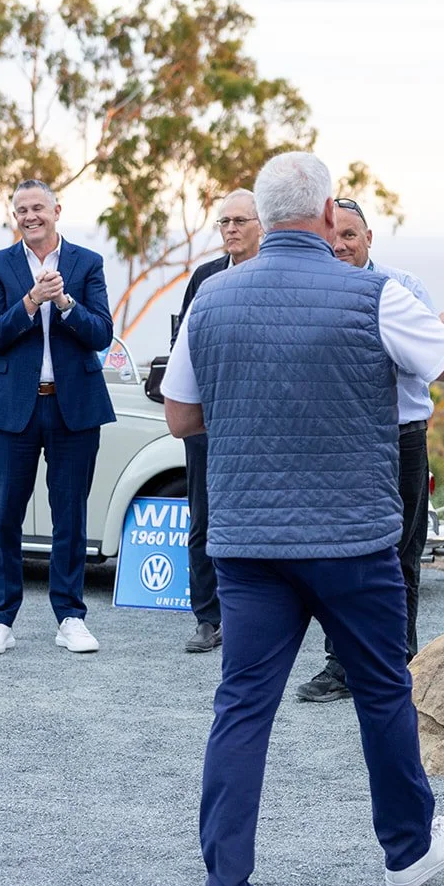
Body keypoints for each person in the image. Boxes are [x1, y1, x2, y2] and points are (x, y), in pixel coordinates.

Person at [161, 151, 444, 886]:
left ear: (267, 218)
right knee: (382, 692)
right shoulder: (373, 293)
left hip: (246, 545)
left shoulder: (211, 300)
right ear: (320, 217)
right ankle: (406, 852)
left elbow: (179, 418)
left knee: (242, 710)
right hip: (352, 541)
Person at [296, 196, 433, 703]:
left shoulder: (404, 288)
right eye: (332, 237)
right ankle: (341, 666)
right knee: (341, 551)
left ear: (369, 238)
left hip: (401, 436)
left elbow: (424, 362)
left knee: (402, 554)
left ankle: (400, 661)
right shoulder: (313, 291)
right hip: (337, 437)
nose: (340, 246)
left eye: (350, 236)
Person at [0, 180, 116, 656]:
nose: (30, 216)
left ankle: (71, 616)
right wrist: (31, 302)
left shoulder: (86, 263)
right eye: (21, 210)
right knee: (4, 517)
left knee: (70, 517)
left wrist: (64, 302)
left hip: (73, 408)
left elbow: (100, 335)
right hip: (13, 409)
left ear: (57, 209)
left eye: (38, 208)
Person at [173, 190, 263, 655]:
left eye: (239, 220)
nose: (230, 229)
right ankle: (208, 618)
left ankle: (259, 615)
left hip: (265, 421)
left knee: (261, 517)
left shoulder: (275, 274)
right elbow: (184, 346)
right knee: (204, 517)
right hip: (210, 422)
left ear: (261, 224)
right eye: (223, 221)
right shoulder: (205, 278)